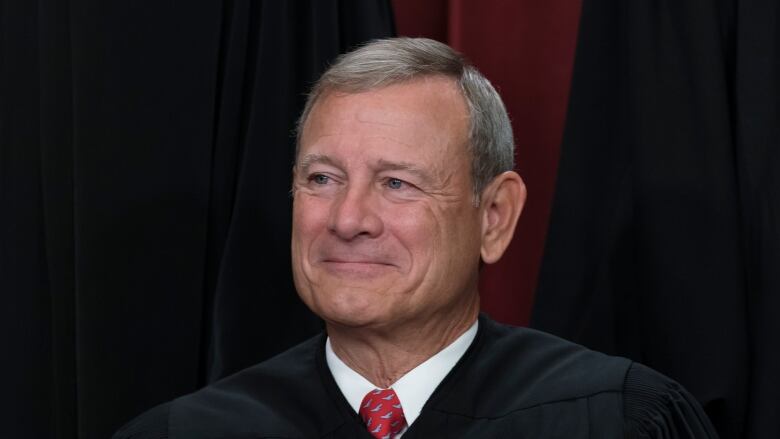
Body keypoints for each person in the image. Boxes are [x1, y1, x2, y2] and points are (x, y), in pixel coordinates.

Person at [114, 37, 718, 439]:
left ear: (494, 217)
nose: (348, 220)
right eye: (322, 178)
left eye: (397, 184)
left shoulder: (613, 418)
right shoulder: (186, 431)